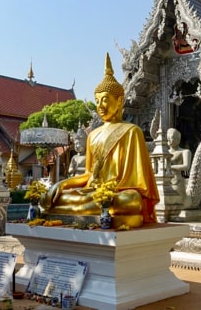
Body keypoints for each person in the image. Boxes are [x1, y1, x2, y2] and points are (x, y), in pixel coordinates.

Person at [41, 53, 159, 228]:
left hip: (118, 193)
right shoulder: (93, 135)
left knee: (130, 201)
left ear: (119, 101)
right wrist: (63, 183)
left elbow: (137, 184)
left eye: (105, 100)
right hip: (93, 192)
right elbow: (89, 174)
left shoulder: (132, 131)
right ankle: (90, 205)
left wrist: (109, 192)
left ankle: (98, 206)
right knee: (54, 197)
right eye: (97, 101)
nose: (100, 106)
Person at [167, 128, 191, 197]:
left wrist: (170, 167)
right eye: (167, 137)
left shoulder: (185, 152)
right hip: (164, 180)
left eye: (171, 138)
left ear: (178, 140)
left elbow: (186, 166)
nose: (168, 139)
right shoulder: (165, 152)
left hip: (176, 180)